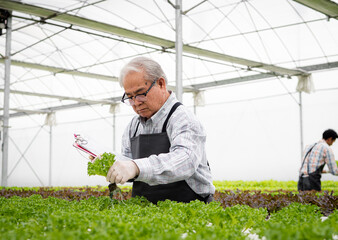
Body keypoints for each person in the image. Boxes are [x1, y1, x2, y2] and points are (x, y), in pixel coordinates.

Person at [106, 56, 215, 204]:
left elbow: (185, 161)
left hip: (187, 209)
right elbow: (129, 165)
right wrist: (110, 163)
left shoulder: (182, 118)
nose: (136, 103)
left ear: (161, 84)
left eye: (141, 94)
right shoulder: (134, 126)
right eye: (130, 97)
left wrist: (136, 167)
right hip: (146, 212)